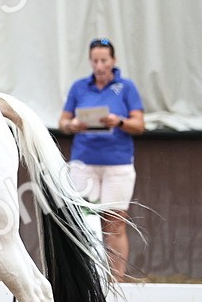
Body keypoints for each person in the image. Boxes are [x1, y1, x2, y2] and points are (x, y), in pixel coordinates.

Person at [58, 37, 145, 280]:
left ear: (113, 61)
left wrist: (119, 121)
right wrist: (73, 125)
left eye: (104, 60)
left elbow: (139, 125)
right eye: (95, 61)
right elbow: (63, 122)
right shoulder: (79, 87)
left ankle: (116, 279)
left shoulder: (126, 87)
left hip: (117, 163)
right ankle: (86, 277)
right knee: (83, 220)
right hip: (84, 162)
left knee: (114, 222)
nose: (99, 66)